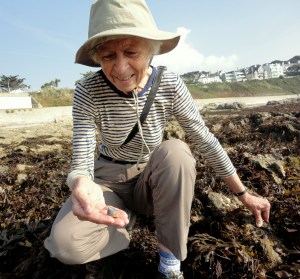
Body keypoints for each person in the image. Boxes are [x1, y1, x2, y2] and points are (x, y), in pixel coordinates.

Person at [44, 1, 271, 278]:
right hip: (107, 181)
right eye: (108, 56)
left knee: (176, 150)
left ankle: (170, 260)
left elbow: (204, 140)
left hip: (151, 180)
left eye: (131, 52)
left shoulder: (169, 84)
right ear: (97, 57)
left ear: (151, 50)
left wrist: (243, 195)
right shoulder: (87, 90)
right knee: (66, 247)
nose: (121, 67)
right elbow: (81, 150)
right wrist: (80, 181)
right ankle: (126, 223)